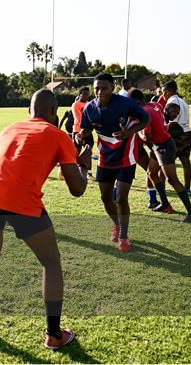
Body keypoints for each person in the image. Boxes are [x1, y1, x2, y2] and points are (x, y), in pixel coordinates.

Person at [0, 89, 91, 348]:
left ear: (29, 111)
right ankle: (54, 335)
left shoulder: (10, 129)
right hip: (22, 199)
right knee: (51, 262)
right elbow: (77, 189)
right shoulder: (59, 136)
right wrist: (84, 165)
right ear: (54, 112)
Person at [78, 73, 149, 252]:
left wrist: (129, 132)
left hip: (126, 156)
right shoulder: (89, 108)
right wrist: (81, 135)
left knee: (121, 198)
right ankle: (117, 225)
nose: (99, 91)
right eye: (97, 88)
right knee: (105, 198)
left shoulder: (126, 103)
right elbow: (87, 128)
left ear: (113, 87)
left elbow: (145, 119)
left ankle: (124, 237)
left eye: (104, 88)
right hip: (105, 157)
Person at [129, 89, 191, 223]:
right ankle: (165, 203)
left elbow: (147, 137)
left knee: (172, 179)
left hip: (163, 146)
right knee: (151, 173)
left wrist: (139, 134)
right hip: (162, 144)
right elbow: (162, 117)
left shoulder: (144, 113)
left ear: (137, 102)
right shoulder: (155, 105)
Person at [162, 81, 191, 194]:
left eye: (163, 92)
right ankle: (187, 188)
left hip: (176, 135)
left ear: (167, 91)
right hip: (187, 133)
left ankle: (161, 189)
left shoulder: (172, 102)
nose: (162, 95)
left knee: (164, 162)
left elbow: (172, 123)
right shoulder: (183, 101)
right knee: (186, 162)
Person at [71, 86, 94, 177]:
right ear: (80, 94)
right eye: (84, 94)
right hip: (77, 130)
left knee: (89, 150)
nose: (86, 96)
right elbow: (79, 118)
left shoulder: (90, 104)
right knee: (76, 152)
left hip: (88, 131)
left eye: (87, 94)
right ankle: (73, 171)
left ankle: (89, 173)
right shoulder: (75, 105)